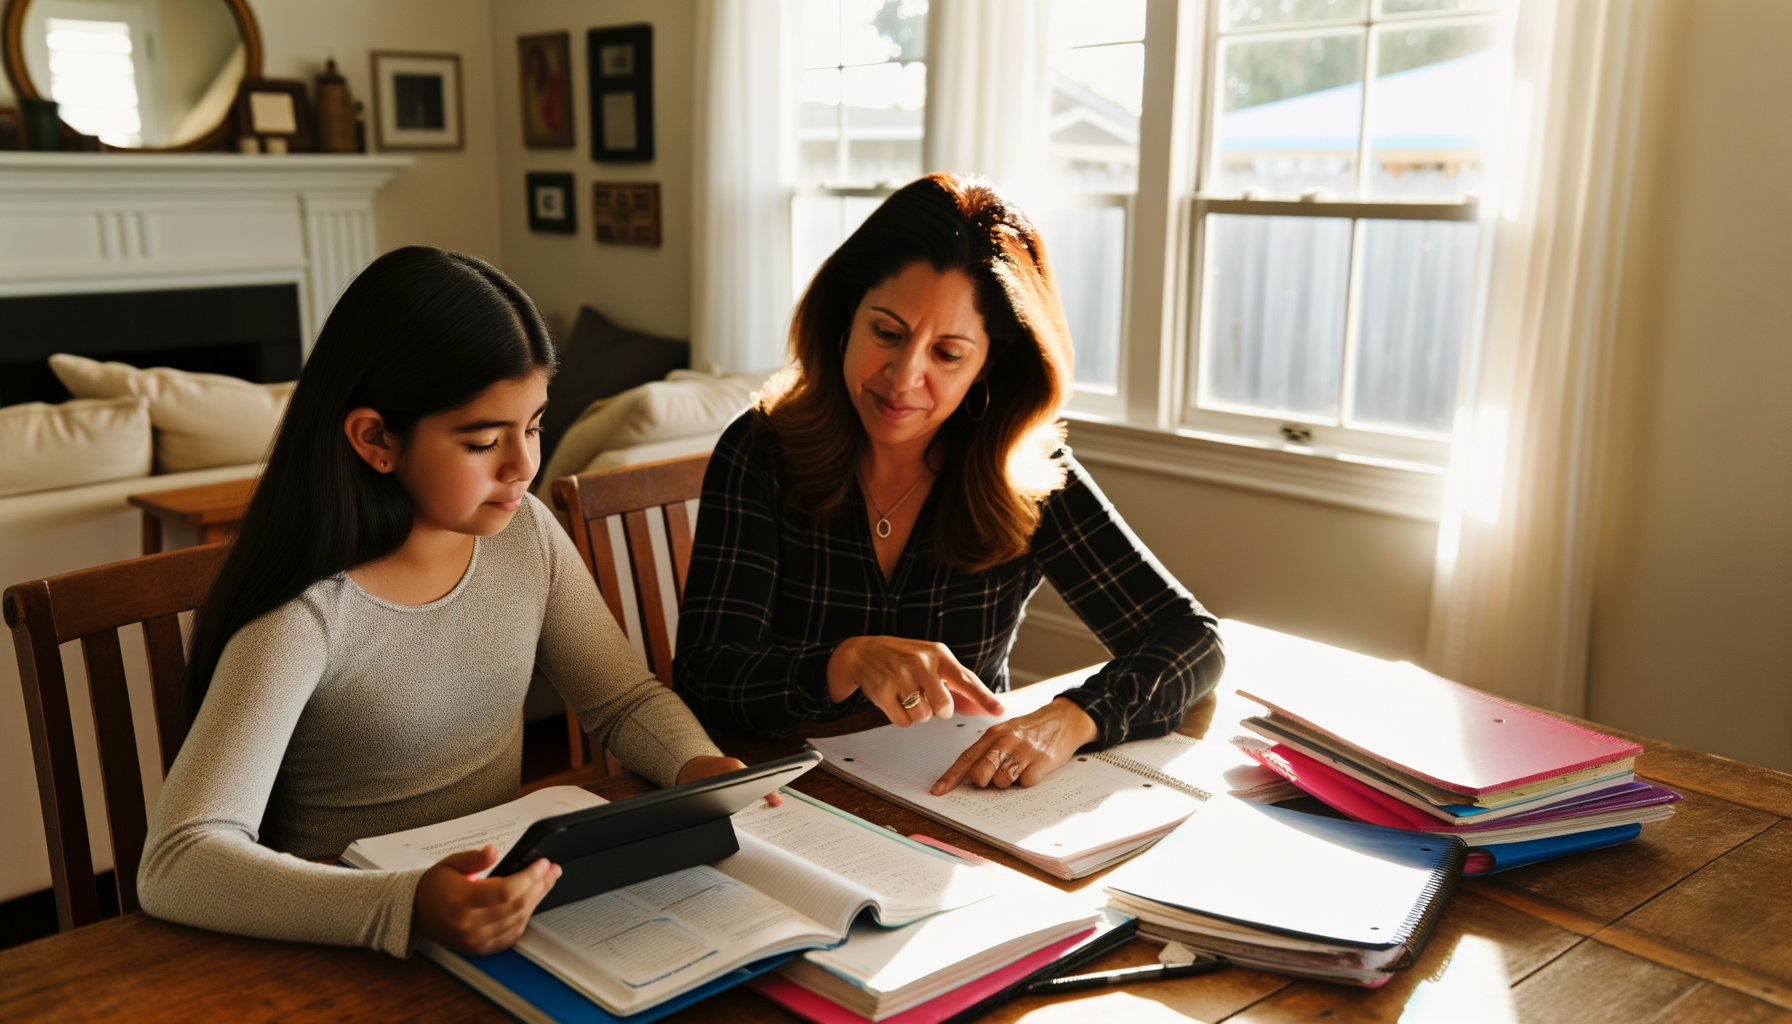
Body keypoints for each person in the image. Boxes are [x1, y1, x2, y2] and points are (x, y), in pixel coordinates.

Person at [139, 247, 749, 959]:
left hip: (502, 915)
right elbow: (179, 860)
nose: (524, 465)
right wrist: (404, 906)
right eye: (484, 440)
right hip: (351, 951)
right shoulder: (304, 614)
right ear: (375, 439)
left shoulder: (524, 533)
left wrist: (697, 766)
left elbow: (620, 700)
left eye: (534, 425)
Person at [673, 173, 1224, 795]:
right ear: (845, 318)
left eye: (948, 354)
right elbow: (705, 679)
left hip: (965, 801)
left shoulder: (1025, 476)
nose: (904, 377)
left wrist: (1074, 718)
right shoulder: (760, 450)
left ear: (990, 363)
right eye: (887, 333)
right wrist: (843, 663)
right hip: (786, 799)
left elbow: (1192, 640)